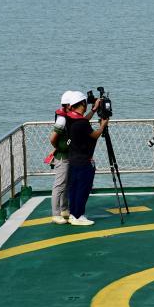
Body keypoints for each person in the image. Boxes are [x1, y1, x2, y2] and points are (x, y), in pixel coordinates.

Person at [64, 91, 109, 226]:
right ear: (83, 104)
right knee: (83, 188)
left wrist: (94, 110)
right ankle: (79, 216)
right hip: (84, 160)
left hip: (73, 159)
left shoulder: (70, 118)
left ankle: (73, 214)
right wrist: (103, 125)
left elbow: (83, 121)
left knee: (74, 188)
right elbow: (94, 135)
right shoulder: (82, 123)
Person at [48, 90, 84, 224]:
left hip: (68, 155)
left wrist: (93, 109)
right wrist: (57, 147)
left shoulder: (68, 116)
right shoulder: (62, 119)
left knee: (67, 183)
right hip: (62, 156)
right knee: (59, 184)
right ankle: (55, 213)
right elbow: (52, 138)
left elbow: (83, 119)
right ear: (68, 105)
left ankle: (64, 209)